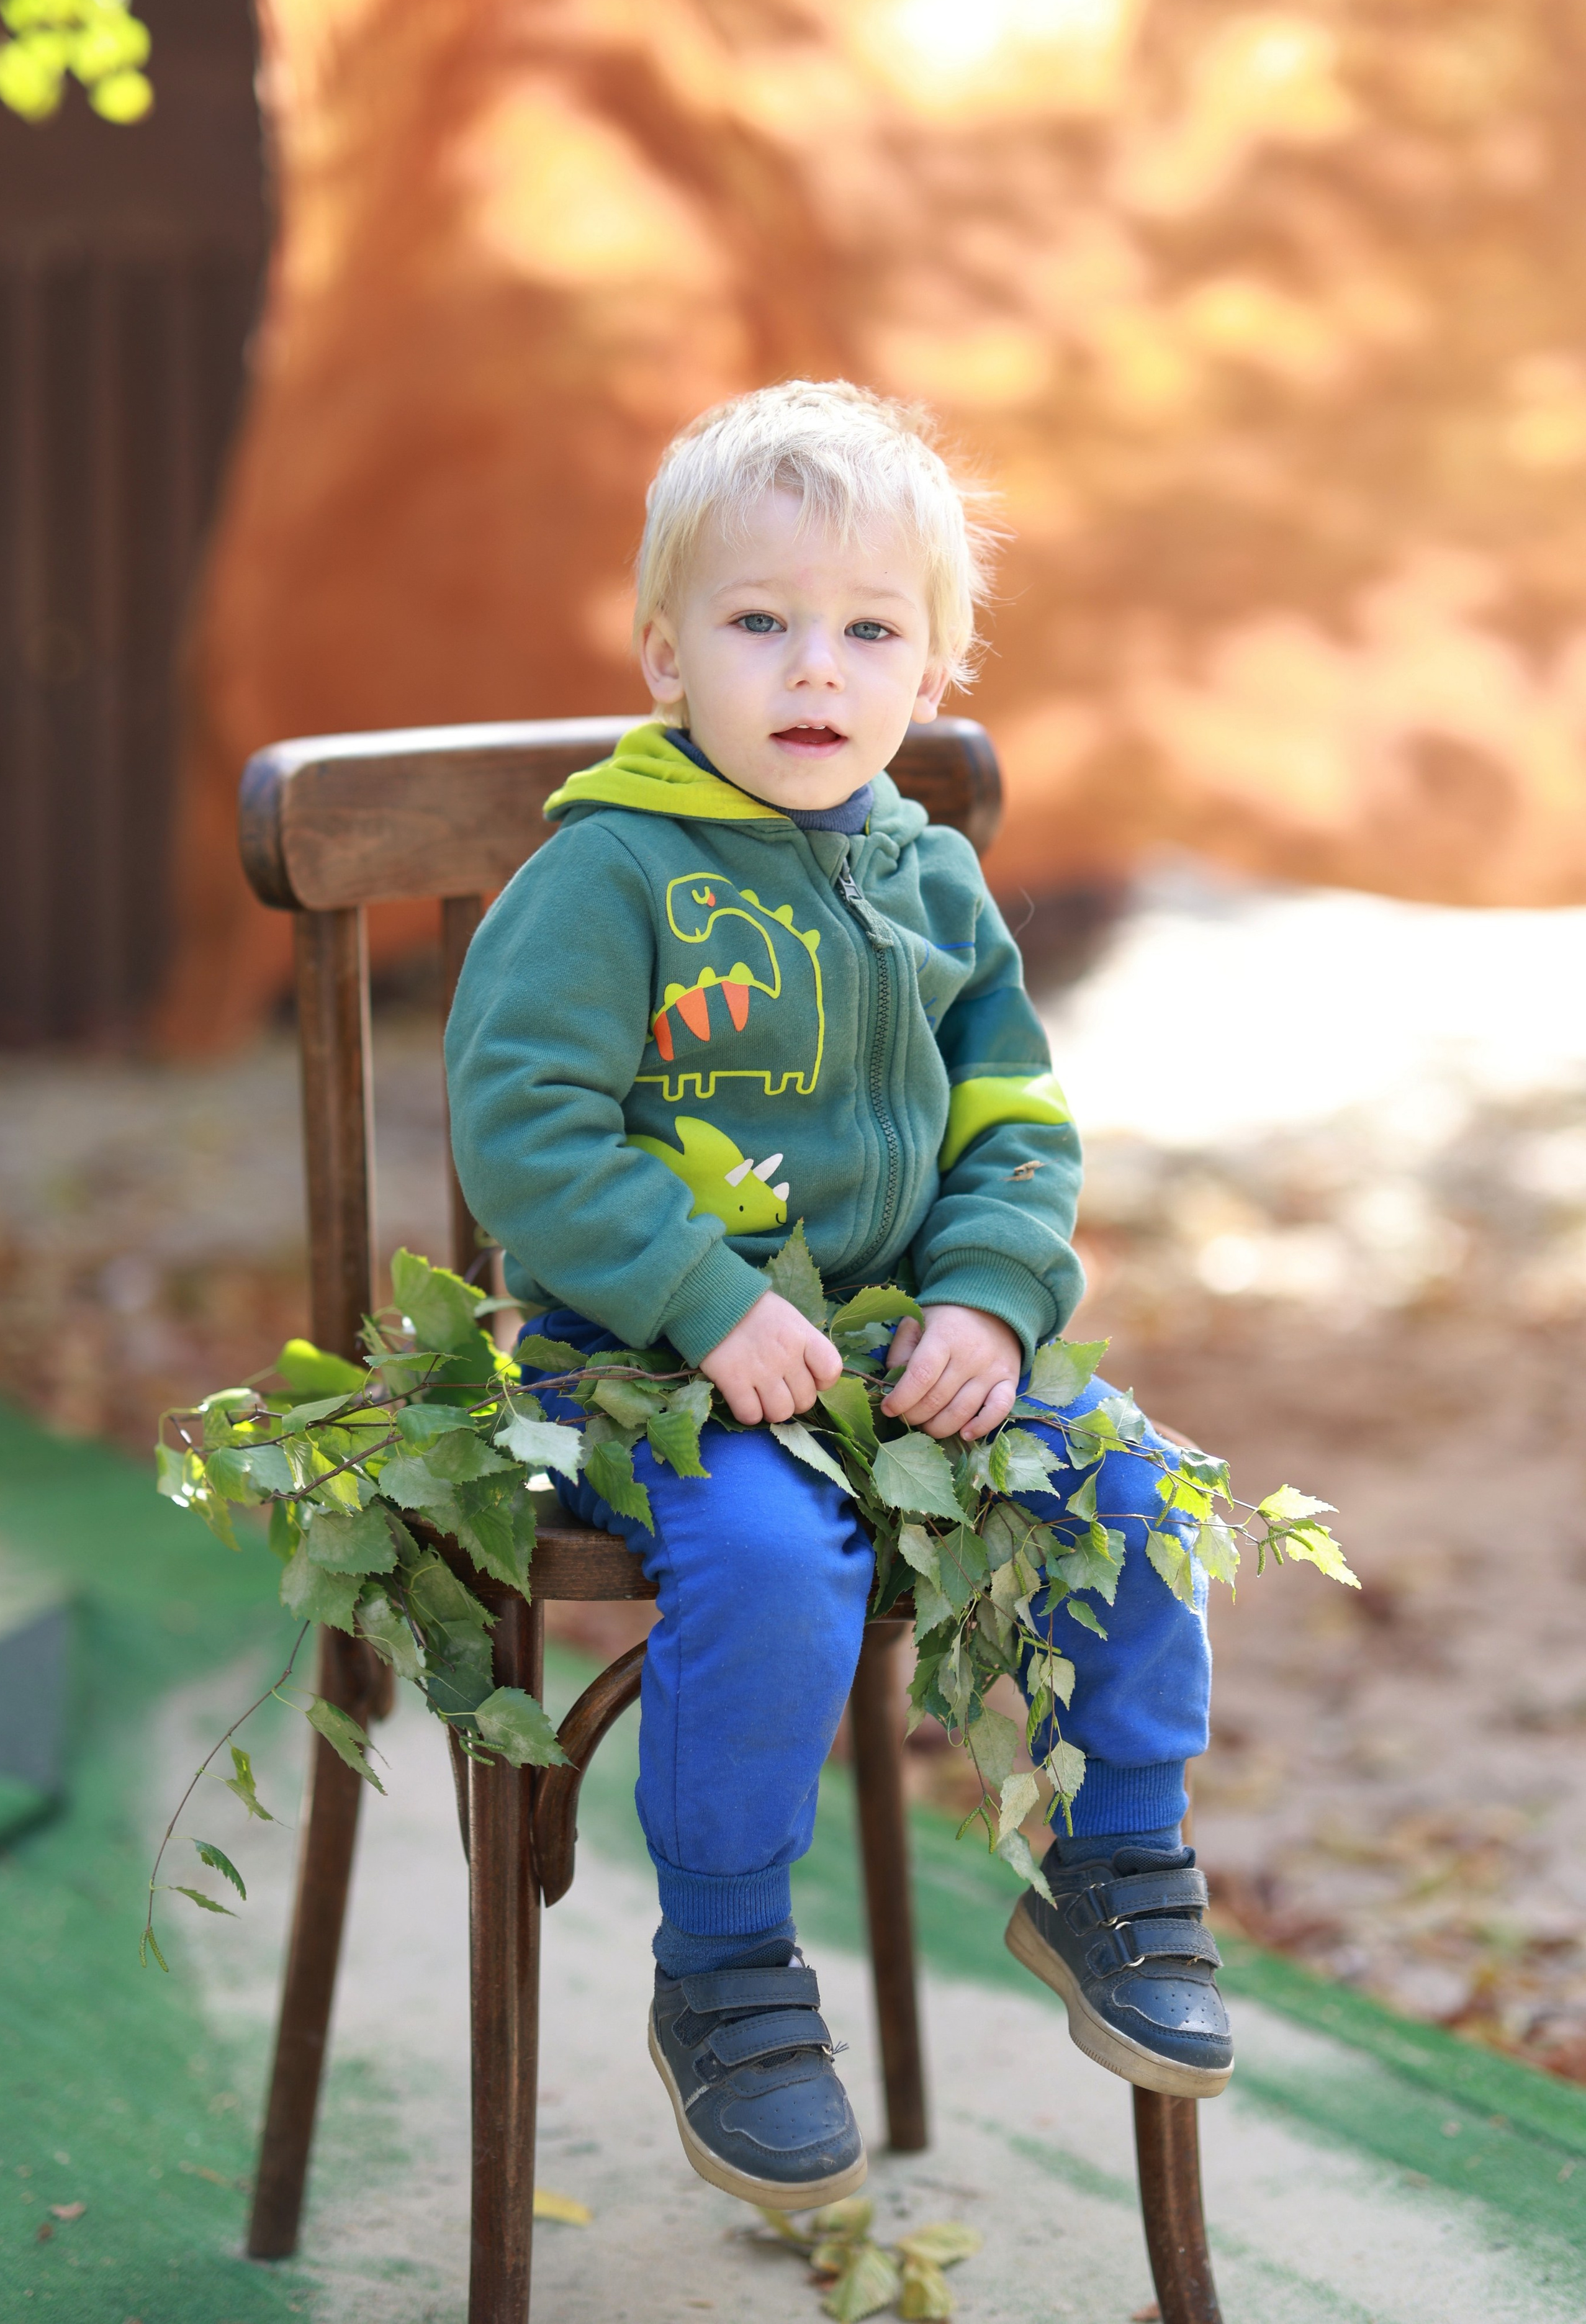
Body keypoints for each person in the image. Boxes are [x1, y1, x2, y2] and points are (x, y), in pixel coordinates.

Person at [445, 380, 1228, 2211]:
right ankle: (723, 1964)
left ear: (936, 672)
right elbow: (525, 1131)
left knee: (1135, 1490)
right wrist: (701, 1303)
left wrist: (989, 1303)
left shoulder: (936, 882)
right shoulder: (608, 873)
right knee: (776, 1564)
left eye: (871, 629)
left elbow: (1018, 1125)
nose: (817, 666)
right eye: (759, 621)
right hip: (646, 1370)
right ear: (665, 652)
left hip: (907, 1355)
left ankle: (1116, 1868)